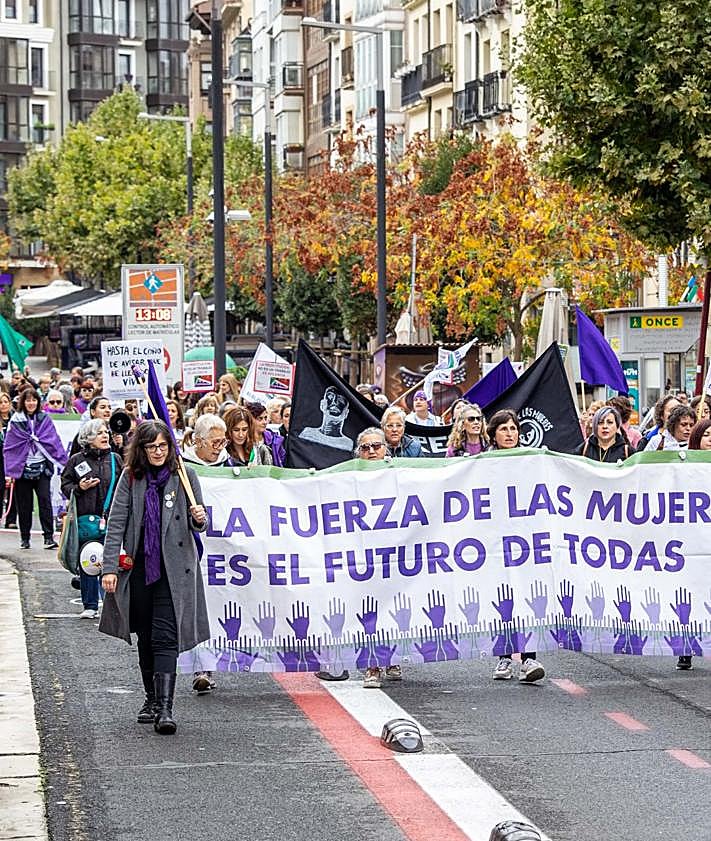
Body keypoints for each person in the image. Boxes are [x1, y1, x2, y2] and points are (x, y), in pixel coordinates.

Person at [99, 420, 209, 734]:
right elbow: (117, 522)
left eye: (162, 446)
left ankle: (166, 709)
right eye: (151, 447)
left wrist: (199, 518)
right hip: (140, 569)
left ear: (170, 446)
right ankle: (150, 699)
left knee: (165, 637)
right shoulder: (131, 478)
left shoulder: (185, 476)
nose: (158, 452)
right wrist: (109, 568)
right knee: (146, 636)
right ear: (142, 450)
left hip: (174, 572)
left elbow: (198, 523)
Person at [485, 409, 545, 683]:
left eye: (513, 429)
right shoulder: (483, 463)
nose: (510, 434)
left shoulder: (530, 461)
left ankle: (529, 657)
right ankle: (504, 659)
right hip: (496, 541)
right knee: (502, 600)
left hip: (526, 539)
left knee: (528, 595)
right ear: (493, 434)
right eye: (504, 429)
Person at [60, 419, 123, 619]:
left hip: (112, 518)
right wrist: (80, 489)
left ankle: (112, 604)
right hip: (86, 521)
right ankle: (90, 604)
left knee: (113, 562)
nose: (105, 436)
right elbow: (65, 484)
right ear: (88, 438)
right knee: (89, 561)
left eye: (106, 432)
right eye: (99, 433)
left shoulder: (115, 459)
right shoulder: (76, 460)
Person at [3, 388, 67, 549]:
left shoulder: (45, 419)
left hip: (42, 469)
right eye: (27, 400)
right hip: (22, 470)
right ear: (23, 402)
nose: (31, 403)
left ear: (38, 402)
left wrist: (64, 463)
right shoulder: (16, 421)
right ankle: (25, 538)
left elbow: (53, 441)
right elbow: (10, 447)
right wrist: (9, 472)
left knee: (45, 501)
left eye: (34, 400)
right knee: (24, 505)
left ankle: (48, 537)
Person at [295, 388, 351, 454]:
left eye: (340, 400)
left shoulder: (348, 444)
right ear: (322, 405)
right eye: (330, 398)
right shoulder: (307, 434)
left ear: (346, 413)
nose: (334, 403)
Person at [246, 402, 286, 466]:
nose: (264, 422)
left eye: (265, 418)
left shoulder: (275, 440)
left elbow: (284, 462)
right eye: (260, 419)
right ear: (249, 420)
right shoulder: (242, 440)